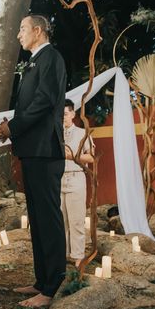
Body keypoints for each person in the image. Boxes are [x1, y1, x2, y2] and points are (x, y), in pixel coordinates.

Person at [0, 14, 67, 308]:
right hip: (32, 151)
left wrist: (13, 127)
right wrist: (13, 126)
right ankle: (40, 281)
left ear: (38, 30)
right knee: (37, 219)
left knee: (48, 219)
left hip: (46, 152)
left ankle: (53, 286)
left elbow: (45, 101)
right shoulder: (35, 61)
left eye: (21, 29)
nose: (18, 35)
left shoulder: (52, 58)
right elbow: (30, 105)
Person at [61, 99, 94, 267]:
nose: (63, 118)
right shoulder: (55, 133)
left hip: (76, 177)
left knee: (77, 219)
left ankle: (78, 256)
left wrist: (73, 157)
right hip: (58, 180)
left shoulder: (82, 133)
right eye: (60, 115)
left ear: (73, 114)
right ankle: (63, 254)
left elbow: (91, 157)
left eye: (65, 114)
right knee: (61, 220)